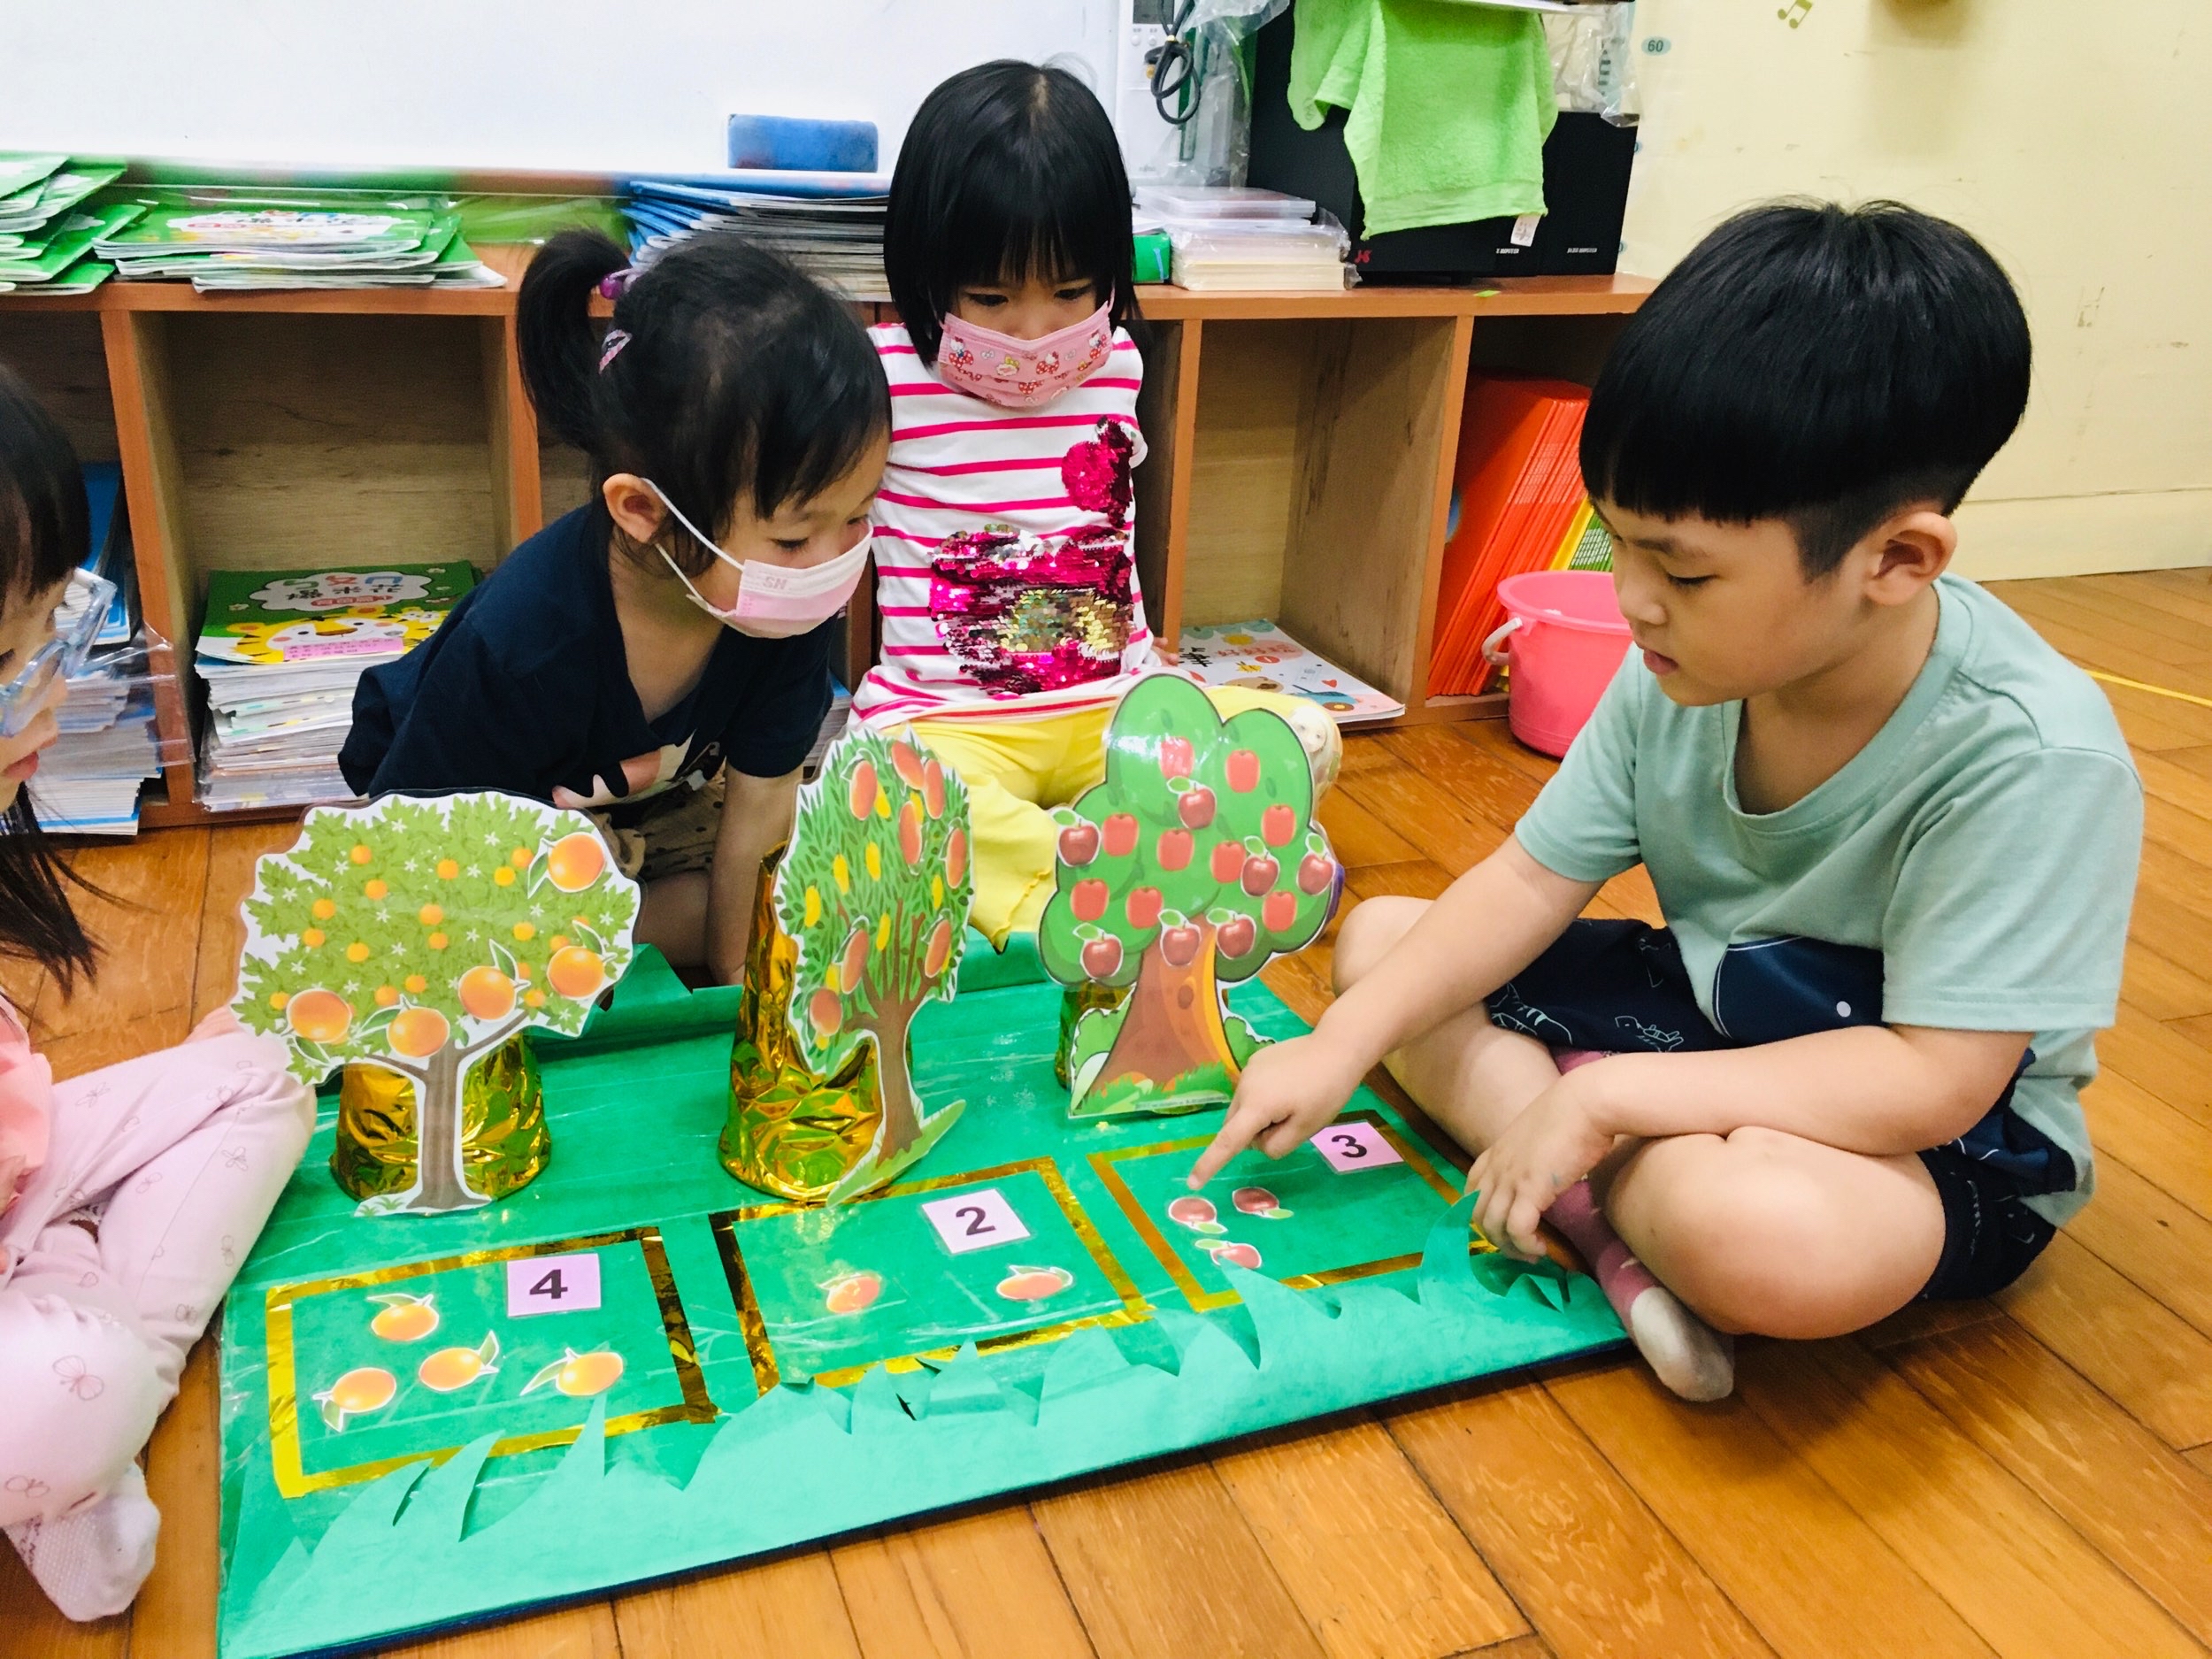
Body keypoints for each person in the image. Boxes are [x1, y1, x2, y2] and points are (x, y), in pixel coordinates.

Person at [1189, 201, 2143, 1402]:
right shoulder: (1683, 663)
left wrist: (1608, 1093)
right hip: (1712, 1021)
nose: (1632, 600)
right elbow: (1530, 878)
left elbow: (1933, 1079)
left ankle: (1589, 1158)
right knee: (1382, 948)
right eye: (1617, 545)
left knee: (1760, 1236)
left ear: (1896, 561)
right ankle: (1609, 1231)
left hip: (1938, 1140)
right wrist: (1337, 1044)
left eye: (1683, 570)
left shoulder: (2030, 755)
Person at [859, 59, 1341, 947]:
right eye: (990, 299)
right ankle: (1099, 879)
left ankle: (1084, 867)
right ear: (927, 273)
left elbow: (1109, 527)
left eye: (1071, 293)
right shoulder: (885, 378)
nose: (1034, 334)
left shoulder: (1117, 362)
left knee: (1302, 733)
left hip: (1113, 711)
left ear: (1108, 275)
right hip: (948, 722)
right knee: (893, 788)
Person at [340, 230, 888, 983]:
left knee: (814, 886)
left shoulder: (780, 609)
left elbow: (763, 811)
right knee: (454, 934)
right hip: (457, 800)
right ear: (643, 510)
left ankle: (618, 920)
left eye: (858, 515)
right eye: (794, 538)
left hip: (648, 806)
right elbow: (423, 856)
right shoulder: (524, 645)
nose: (832, 562)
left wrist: (738, 995)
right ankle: (615, 923)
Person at [0, 365, 313, 1617]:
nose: (50, 688)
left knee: (266, 1067)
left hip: (20, 1174)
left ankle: (95, 1351)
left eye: (48, 634)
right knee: (63, 1391)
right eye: (11, 656)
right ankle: (86, 1428)